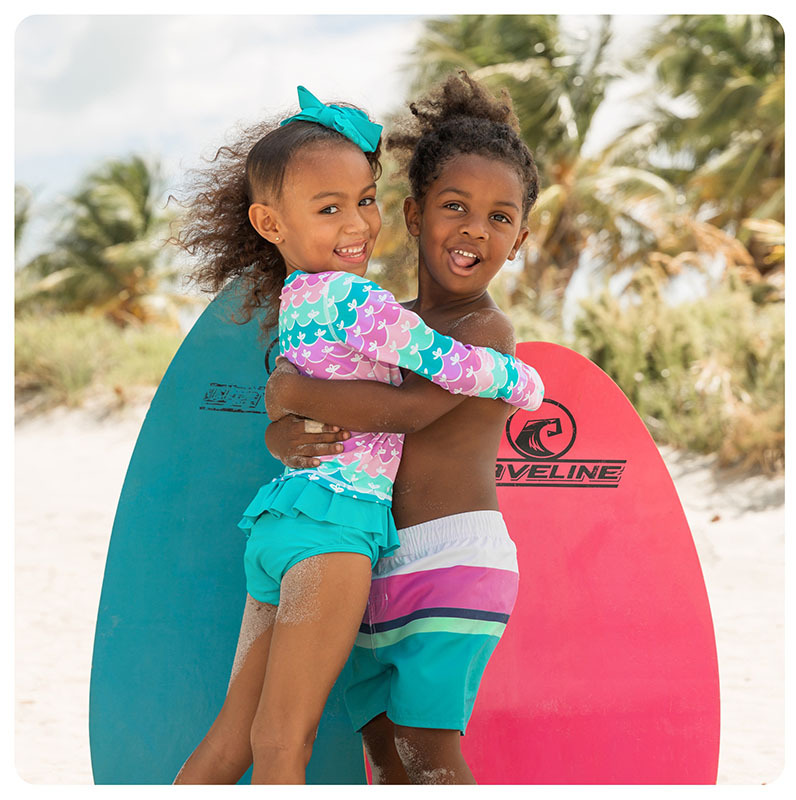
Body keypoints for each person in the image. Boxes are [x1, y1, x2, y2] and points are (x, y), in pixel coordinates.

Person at [171, 85, 544, 785]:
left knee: (426, 754)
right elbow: (324, 409)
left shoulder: (482, 331)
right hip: (374, 552)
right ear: (415, 214)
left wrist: (288, 391)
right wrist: (283, 429)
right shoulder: (378, 320)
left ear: (519, 239)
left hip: (449, 556)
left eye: (498, 218)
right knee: (386, 753)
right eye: (454, 207)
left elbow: (402, 413)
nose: (471, 230)